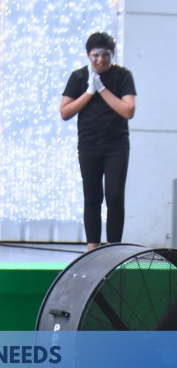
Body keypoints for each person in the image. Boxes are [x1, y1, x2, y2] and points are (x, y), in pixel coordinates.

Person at [60, 32, 136, 250]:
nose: (101, 60)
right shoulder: (78, 77)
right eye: (96, 55)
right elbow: (65, 112)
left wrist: (102, 89)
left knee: (114, 196)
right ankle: (92, 248)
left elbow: (128, 110)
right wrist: (89, 92)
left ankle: (113, 248)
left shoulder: (122, 76)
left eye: (106, 55)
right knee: (92, 196)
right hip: (89, 145)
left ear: (112, 54)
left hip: (116, 146)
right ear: (88, 55)